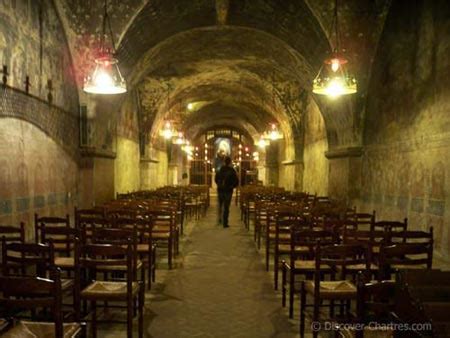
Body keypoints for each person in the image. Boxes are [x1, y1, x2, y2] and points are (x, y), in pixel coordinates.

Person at [214, 156, 239, 228]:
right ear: (230, 162)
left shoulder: (220, 170)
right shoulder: (232, 170)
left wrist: (219, 185)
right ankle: (225, 222)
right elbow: (236, 181)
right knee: (226, 206)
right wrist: (232, 186)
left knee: (220, 205)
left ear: (224, 161)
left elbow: (216, 179)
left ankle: (219, 219)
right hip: (228, 190)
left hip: (220, 190)